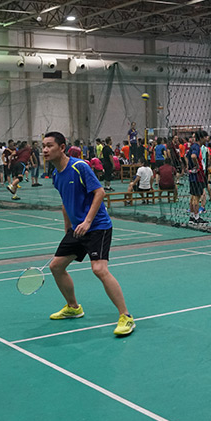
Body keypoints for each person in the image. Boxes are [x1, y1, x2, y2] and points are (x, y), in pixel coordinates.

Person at [42, 131, 135, 336]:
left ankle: (126, 316)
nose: (45, 150)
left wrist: (87, 221)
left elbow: (100, 192)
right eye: (44, 146)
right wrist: (67, 229)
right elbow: (66, 202)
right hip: (77, 228)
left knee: (99, 269)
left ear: (62, 148)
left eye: (49, 146)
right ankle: (73, 307)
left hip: (97, 226)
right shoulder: (56, 175)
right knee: (56, 266)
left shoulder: (79, 167)